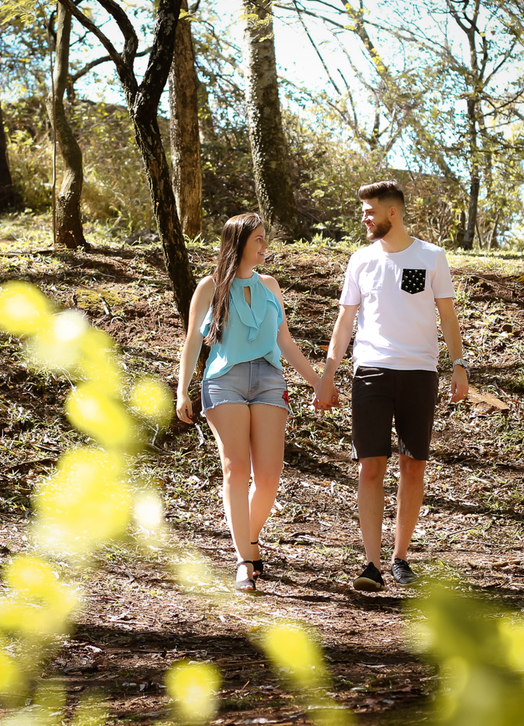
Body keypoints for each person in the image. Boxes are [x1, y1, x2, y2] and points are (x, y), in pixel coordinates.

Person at [313, 181, 470, 592]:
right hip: (371, 372)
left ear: (392, 213)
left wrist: (458, 365)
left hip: (420, 372)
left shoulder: (431, 256)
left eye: (369, 212)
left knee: (413, 465)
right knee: (370, 466)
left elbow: (448, 317)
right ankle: (371, 564)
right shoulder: (361, 260)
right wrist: (328, 373)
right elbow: (345, 321)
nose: (364, 218)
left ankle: (400, 558)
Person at [177, 213, 320, 593]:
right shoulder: (209, 287)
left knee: (269, 477)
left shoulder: (270, 285)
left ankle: (249, 538)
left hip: (270, 381)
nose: (264, 245)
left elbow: (285, 341)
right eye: (258, 238)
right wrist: (181, 390)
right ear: (238, 242)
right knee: (236, 469)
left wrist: (318, 381)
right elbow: (192, 341)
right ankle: (244, 560)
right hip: (225, 381)